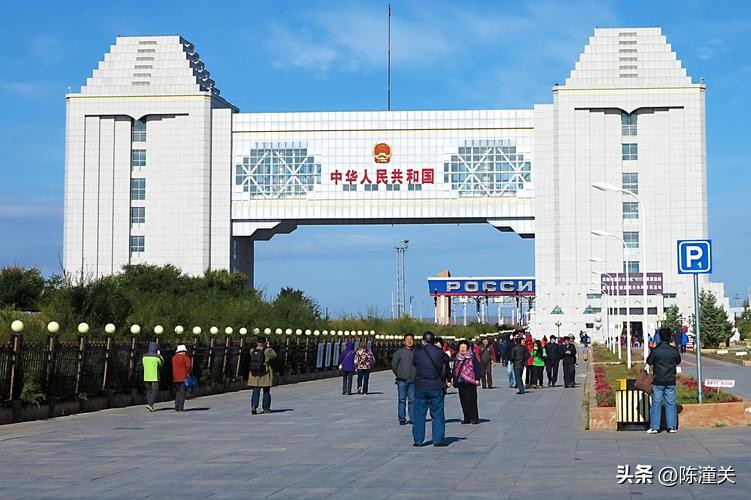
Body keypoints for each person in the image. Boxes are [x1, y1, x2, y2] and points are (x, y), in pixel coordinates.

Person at [412, 331, 450, 447]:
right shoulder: (438, 351)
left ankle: (418, 440)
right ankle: (438, 440)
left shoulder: (417, 352)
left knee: (419, 414)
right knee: (437, 413)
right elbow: (447, 359)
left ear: (423, 340)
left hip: (421, 386)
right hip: (435, 386)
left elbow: (414, 363)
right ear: (433, 341)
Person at [646, 328, 682, 433]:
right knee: (671, 403)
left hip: (658, 381)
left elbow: (649, 361)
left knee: (656, 403)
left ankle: (655, 427)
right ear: (670, 337)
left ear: (660, 337)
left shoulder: (656, 350)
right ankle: (672, 427)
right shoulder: (673, 350)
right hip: (670, 380)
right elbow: (678, 361)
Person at [453, 340, 482, 424]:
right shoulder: (457, 358)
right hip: (461, 381)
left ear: (468, 348)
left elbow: (477, 368)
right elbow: (455, 369)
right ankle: (467, 417)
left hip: (471, 381)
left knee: (472, 400)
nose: (462, 349)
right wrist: (453, 378)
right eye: (461, 347)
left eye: (464, 347)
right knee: (463, 400)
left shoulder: (472, 357)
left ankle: (474, 418)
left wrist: (477, 378)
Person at [391, 333, 416, 425]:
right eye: (407, 339)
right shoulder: (399, 353)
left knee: (412, 400)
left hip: (413, 380)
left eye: (411, 339)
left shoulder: (416, 352)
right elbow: (394, 365)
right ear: (404, 342)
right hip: (402, 380)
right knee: (402, 399)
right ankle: (402, 418)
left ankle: (412, 418)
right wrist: (399, 374)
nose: (409, 341)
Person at [248, 337, 278, 414]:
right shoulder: (267, 351)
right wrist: (269, 347)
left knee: (256, 390)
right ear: (265, 343)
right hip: (265, 372)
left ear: (257, 342)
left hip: (255, 372)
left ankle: (254, 406)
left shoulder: (252, 350)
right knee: (266, 390)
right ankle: (266, 408)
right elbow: (274, 355)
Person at [142, 342, 163, 412]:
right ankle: (150, 404)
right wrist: (159, 355)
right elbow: (161, 363)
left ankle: (150, 405)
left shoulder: (144, 356)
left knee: (149, 390)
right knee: (155, 390)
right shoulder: (157, 357)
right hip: (154, 376)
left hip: (146, 376)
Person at [172, 344, 192, 412]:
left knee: (178, 391)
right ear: (183, 351)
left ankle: (176, 405)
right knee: (183, 392)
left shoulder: (174, 358)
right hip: (184, 377)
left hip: (175, 376)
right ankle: (181, 407)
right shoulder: (186, 358)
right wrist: (189, 373)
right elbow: (188, 367)